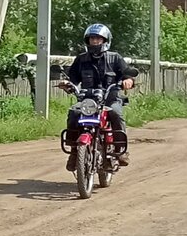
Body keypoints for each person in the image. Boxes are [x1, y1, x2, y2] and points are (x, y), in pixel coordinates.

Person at [58, 23, 135, 170]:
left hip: (110, 98)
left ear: (105, 41)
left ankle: (120, 151)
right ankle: (74, 152)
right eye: (92, 39)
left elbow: (126, 73)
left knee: (116, 114)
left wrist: (128, 80)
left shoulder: (115, 58)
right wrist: (67, 83)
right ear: (87, 41)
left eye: (98, 39)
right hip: (87, 100)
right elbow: (72, 78)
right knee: (74, 113)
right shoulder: (81, 59)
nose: (95, 42)